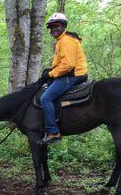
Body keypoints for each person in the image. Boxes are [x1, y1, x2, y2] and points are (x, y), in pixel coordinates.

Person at [37, 13, 88, 145]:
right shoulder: (62, 40)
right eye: (51, 27)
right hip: (69, 73)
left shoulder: (66, 41)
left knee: (46, 98)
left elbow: (68, 65)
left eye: (56, 26)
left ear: (63, 26)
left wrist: (51, 74)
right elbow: (62, 62)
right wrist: (50, 71)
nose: (53, 29)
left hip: (73, 74)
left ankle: (53, 132)